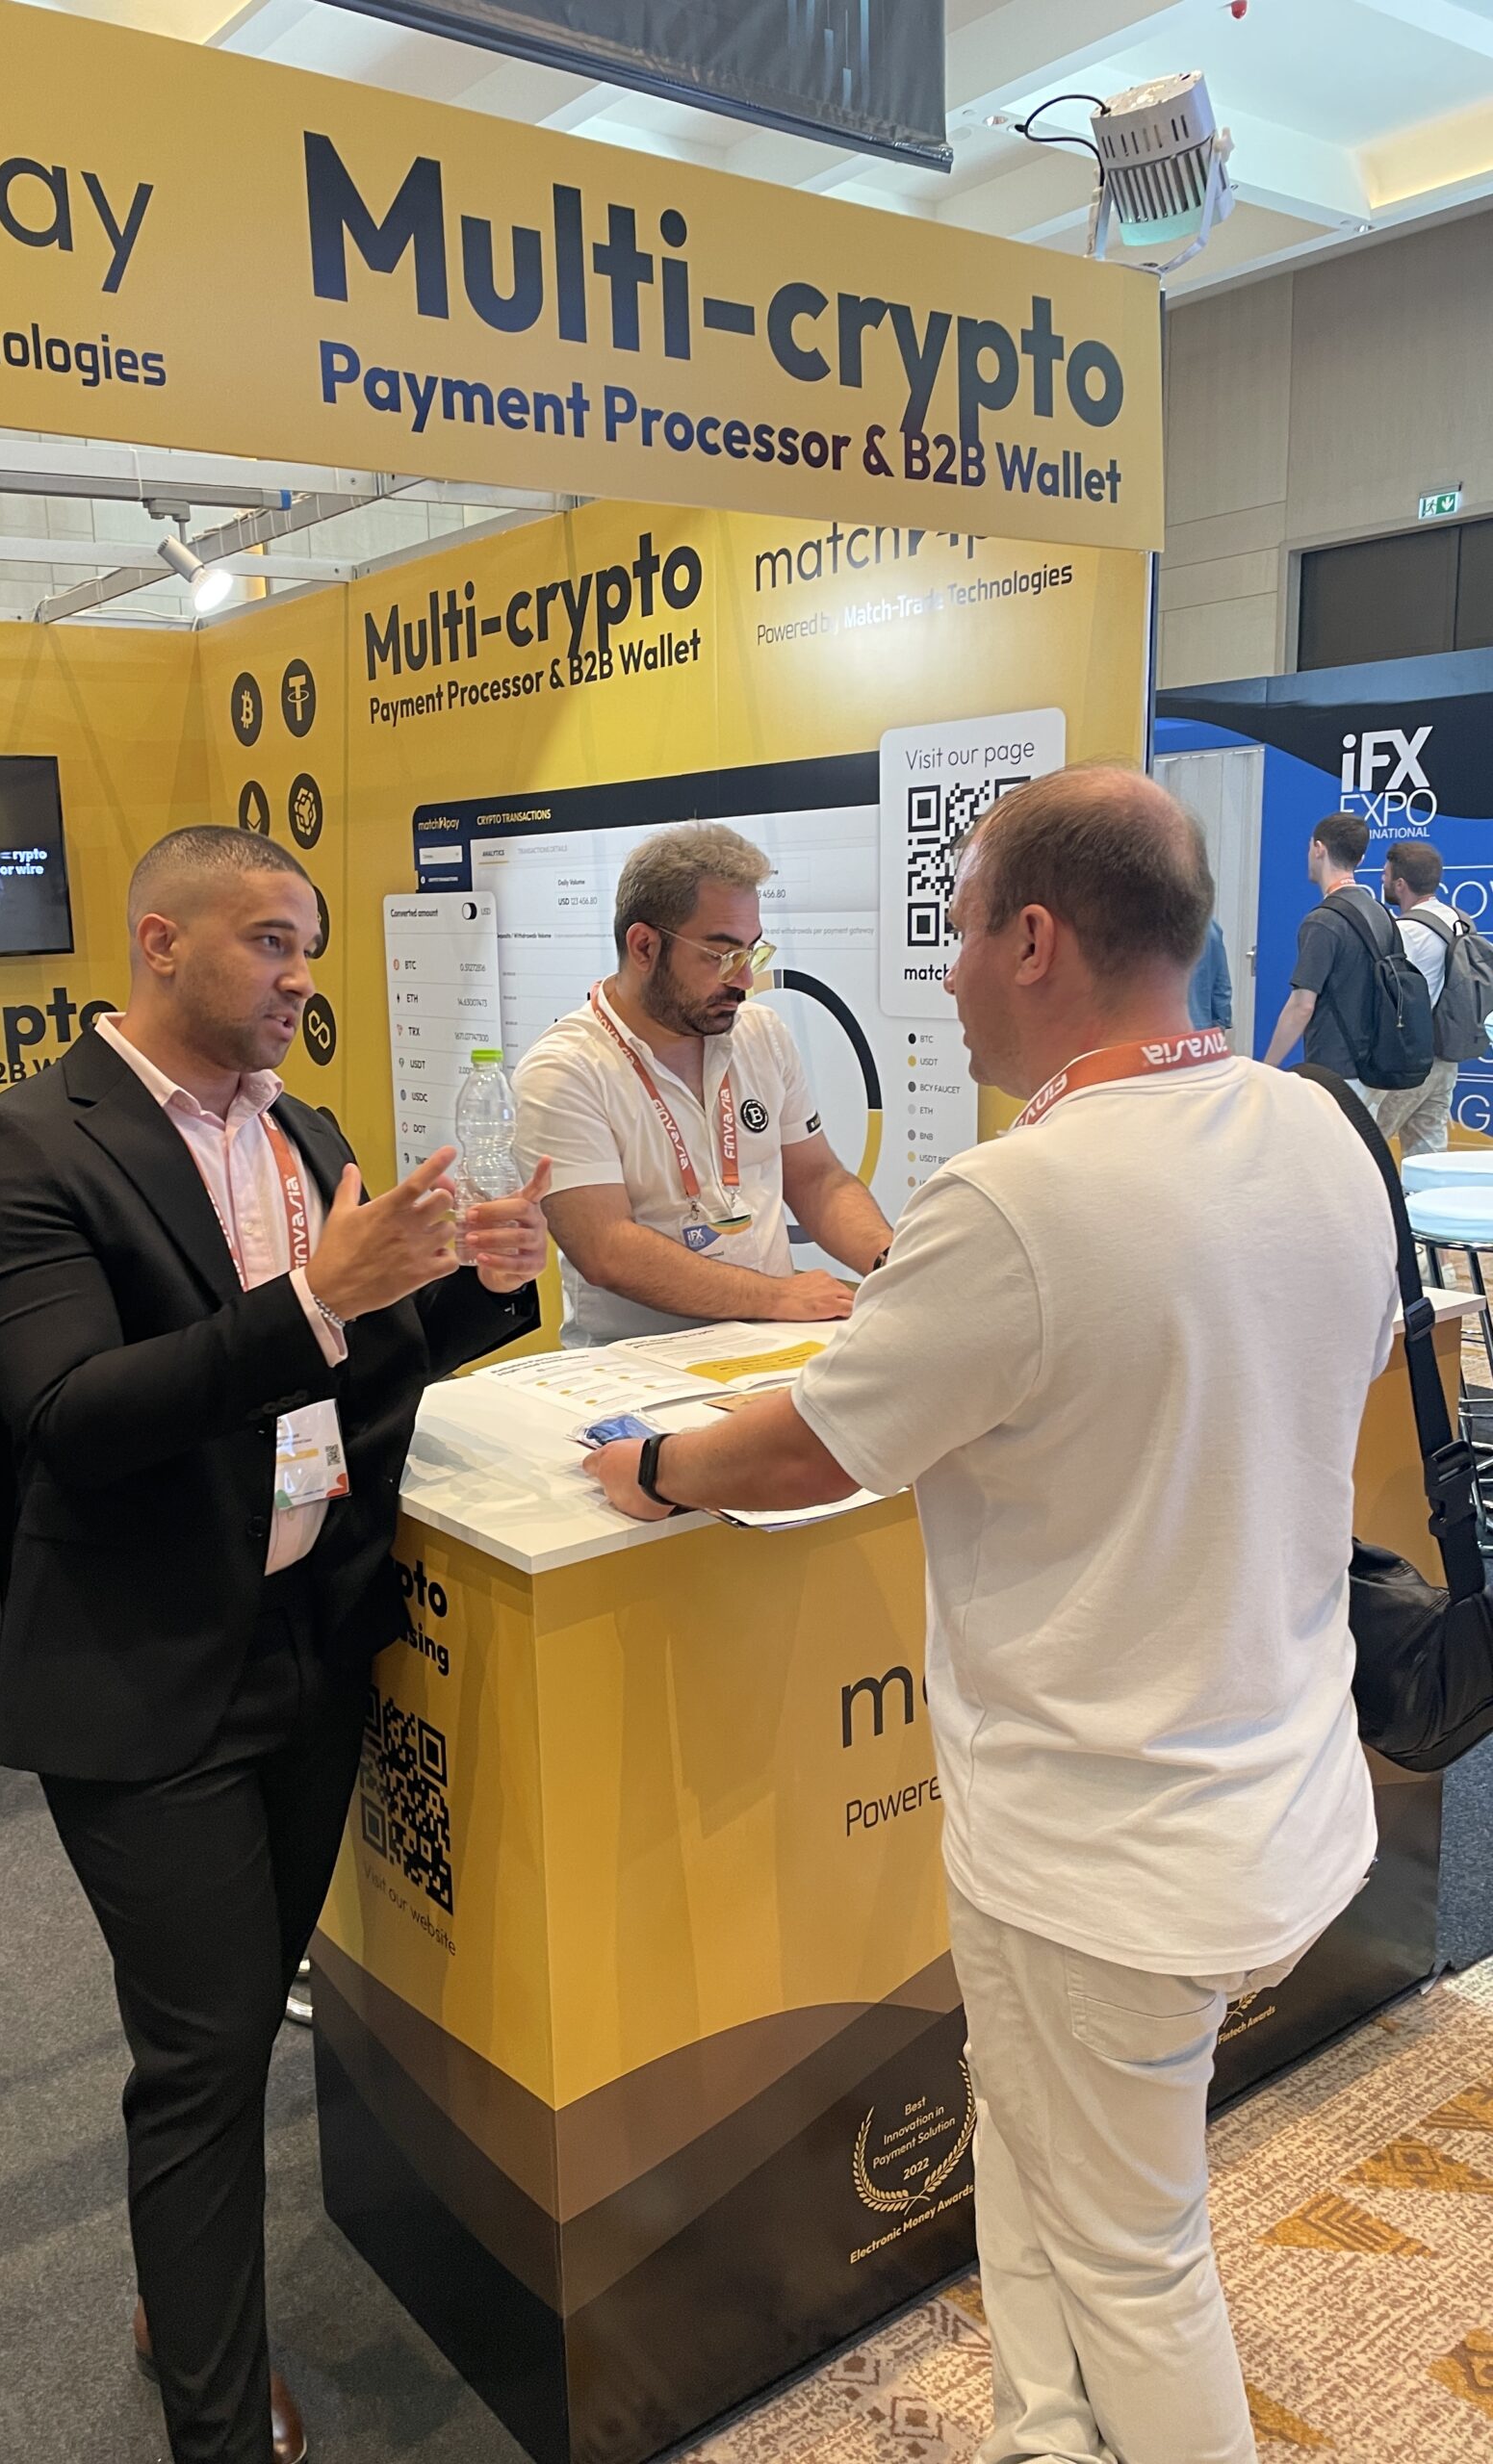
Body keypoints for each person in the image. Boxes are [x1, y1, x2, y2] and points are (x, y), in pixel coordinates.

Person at [588, 768, 1393, 2464]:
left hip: (1110, 1848)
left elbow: (809, 1448)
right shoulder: (1320, 1129)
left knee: (1136, 2254)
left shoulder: (1021, 1199)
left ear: (1035, 941)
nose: (946, 974)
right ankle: (1045, 2434)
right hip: (1259, 1795)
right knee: (1023, 2134)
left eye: (957, 934)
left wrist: (654, 1466)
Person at [0, 827, 549, 2464]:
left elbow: (357, 1367)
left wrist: (475, 1288)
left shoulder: (302, 1130)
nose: (301, 977)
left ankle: (174, 2297)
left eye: (308, 946)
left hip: (316, 1641)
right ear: (161, 942)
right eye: (272, 940)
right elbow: (75, 1415)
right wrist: (318, 1303)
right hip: (149, 1674)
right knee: (202, 2057)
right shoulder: (17, 1149)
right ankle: (214, 2419)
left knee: (250, 1998)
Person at [512, 822, 890, 1345]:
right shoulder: (565, 1070)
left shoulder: (761, 1035)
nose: (744, 979)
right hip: (637, 1367)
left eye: (752, 953)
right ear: (644, 947)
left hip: (771, 1348)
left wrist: (892, 1264)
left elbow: (817, 1179)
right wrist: (777, 1297)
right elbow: (606, 1249)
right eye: (721, 956)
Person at [1259, 812, 1397, 1092]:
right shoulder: (1381, 914)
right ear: (1360, 859)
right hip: (1375, 1067)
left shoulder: (1323, 921)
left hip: (1334, 1070)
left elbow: (1302, 1006)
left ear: (1319, 849)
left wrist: (1266, 1069)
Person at [1378, 837, 1461, 1154]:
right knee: (1427, 1156)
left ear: (1400, 884)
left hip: (1411, 1060)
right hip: (1446, 1055)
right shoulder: (1458, 920)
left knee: (1363, 1142)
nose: (1382, 878)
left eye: (1386, 874)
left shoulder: (1405, 931)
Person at [1188, 911, 1233, 1033]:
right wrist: (1221, 1023)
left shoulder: (1149, 925)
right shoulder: (1210, 926)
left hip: (1153, 1032)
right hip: (1201, 1030)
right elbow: (1221, 984)